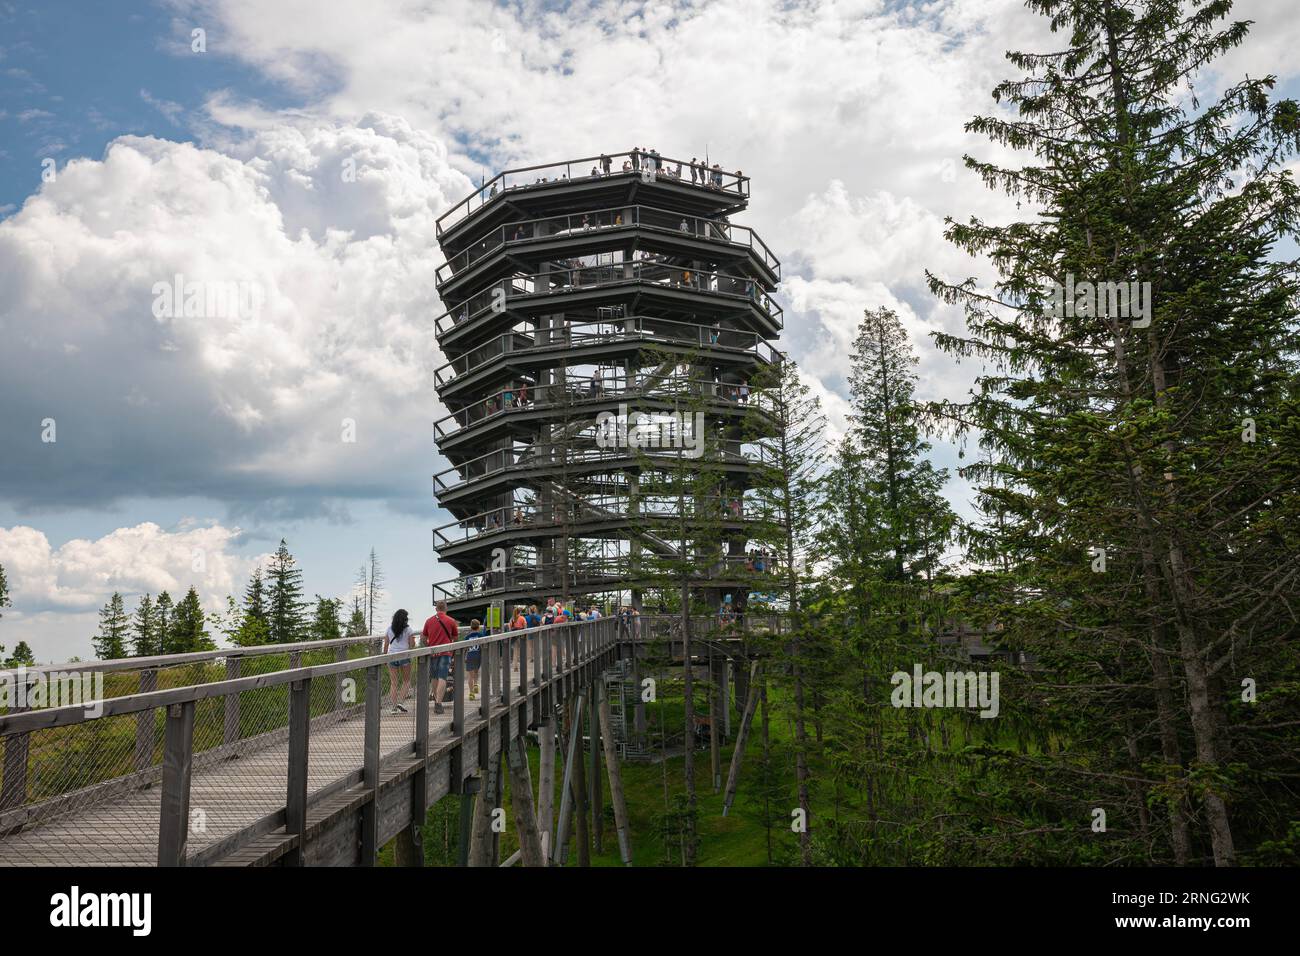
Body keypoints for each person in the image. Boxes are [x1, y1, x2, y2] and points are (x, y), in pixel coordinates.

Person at [422, 600, 459, 715]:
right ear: (446, 608)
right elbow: (455, 638)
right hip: (446, 653)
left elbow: (423, 637)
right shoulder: (451, 621)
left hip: (433, 653)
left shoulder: (429, 621)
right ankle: (438, 702)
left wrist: (429, 645)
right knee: (442, 677)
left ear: (436, 609)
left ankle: (435, 700)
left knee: (434, 677)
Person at [384, 609, 415, 714]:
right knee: (406, 681)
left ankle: (393, 707)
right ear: (405, 619)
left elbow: (386, 644)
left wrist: (384, 657)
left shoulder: (389, 629)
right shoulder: (408, 630)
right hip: (404, 656)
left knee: (394, 683)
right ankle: (400, 702)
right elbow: (412, 644)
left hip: (392, 657)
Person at [464, 618, 483, 700]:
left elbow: (465, 648)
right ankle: (475, 684)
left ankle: (471, 693)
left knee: (470, 676)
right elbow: (483, 646)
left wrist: (465, 656)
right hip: (478, 655)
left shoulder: (467, 637)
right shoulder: (480, 635)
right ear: (478, 627)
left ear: (471, 627)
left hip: (470, 656)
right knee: (476, 671)